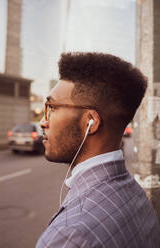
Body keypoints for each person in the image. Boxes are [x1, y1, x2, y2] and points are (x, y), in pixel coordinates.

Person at [36, 52, 160, 248]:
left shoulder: (70, 236)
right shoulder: (137, 194)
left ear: (90, 122)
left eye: (52, 107)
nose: (43, 121)